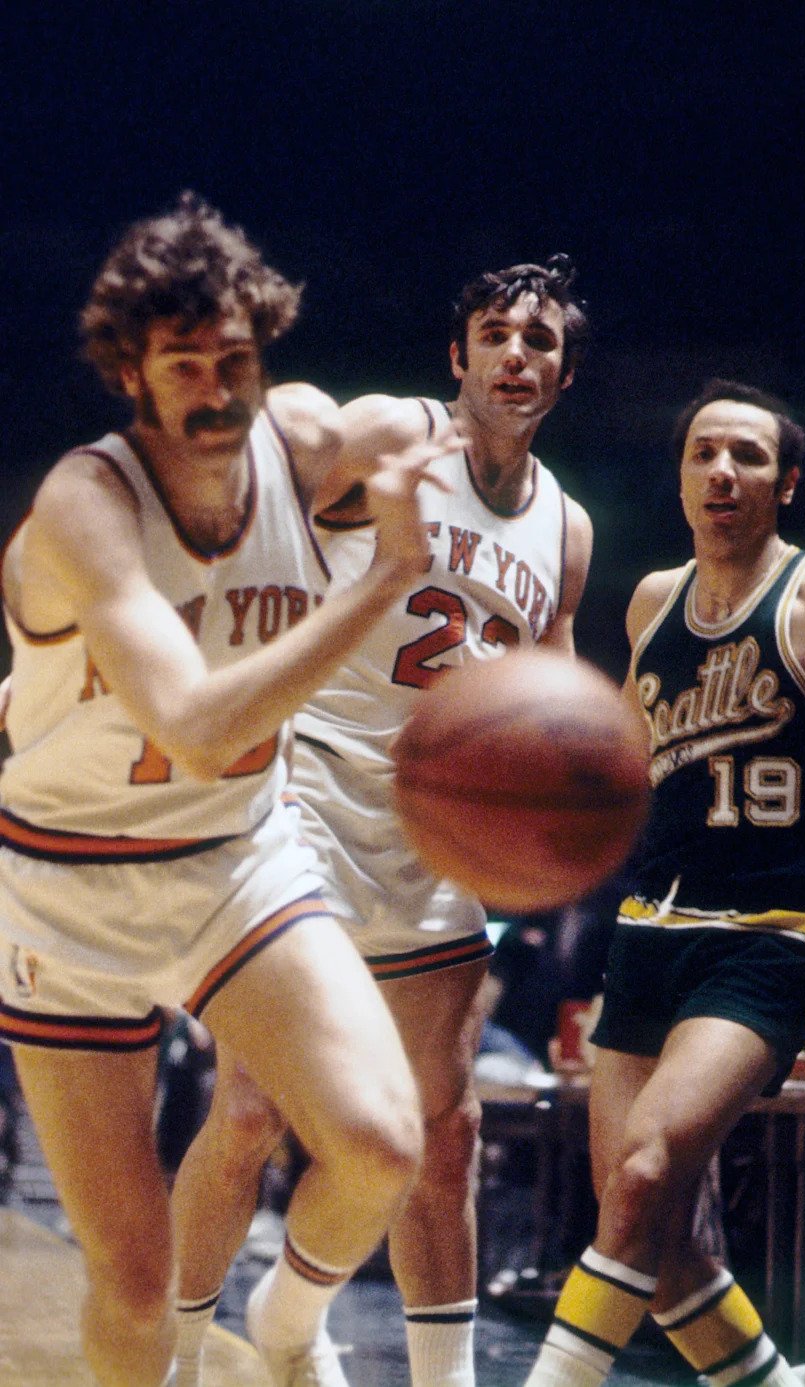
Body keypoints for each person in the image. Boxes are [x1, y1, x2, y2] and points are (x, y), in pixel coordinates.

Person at [0, 192, 475, 1387]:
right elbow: (203, 728)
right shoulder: (86, 506)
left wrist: (441, 448)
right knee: (134, 1280)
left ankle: (289, 1318)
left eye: (235, 360)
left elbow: (419, 426)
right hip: (71, 889)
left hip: (233, 861)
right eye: (184, 366)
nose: (216, 392)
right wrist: (385, 579)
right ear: (131, 373)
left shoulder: (302, 440)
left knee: (382, 1143)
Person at [170, 256, 594, 1386]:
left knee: (442, 1133)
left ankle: (314, 1325)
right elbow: (238, 513)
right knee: (251, 1110)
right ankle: (171, 1361)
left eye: (540, 340)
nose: (516, 353)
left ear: (564, 374)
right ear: (458, 357)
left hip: (436, 832)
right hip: (304, 789)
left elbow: (552, 700)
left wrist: (555, 810)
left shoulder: (567, 526)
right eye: (495, 333)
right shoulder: (394, 433)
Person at [523, 378, 805, 1387]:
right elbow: (628, 762)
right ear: (681, 478)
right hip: (647, 931)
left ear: (787, 481)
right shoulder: (650, 602)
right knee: (657, 1244)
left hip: (765, 938)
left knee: (643, 1173)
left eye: (748, 455)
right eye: (704, 452)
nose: (723, 470)